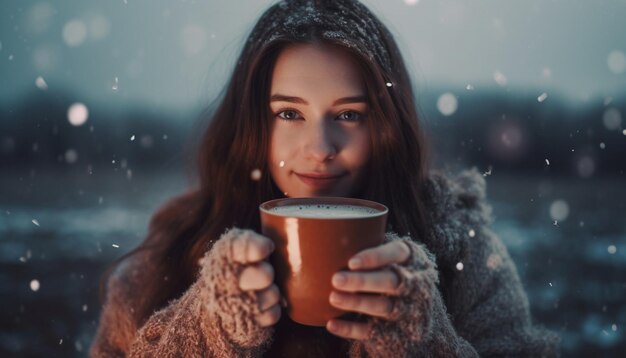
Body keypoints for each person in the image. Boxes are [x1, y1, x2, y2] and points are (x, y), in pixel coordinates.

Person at [90, 0, 560, 356]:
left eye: (349, 115)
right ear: (252, 122)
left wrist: (424, 337)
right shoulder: (176, 245)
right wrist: (206, 327)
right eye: (290, 112)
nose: (319, 147)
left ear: (385, 127)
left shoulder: (461, 246)